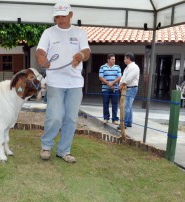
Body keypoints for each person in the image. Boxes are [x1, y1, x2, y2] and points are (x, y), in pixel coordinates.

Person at [35, 1, 90, 163]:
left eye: (63, 16)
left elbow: (86, 51)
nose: (60, 19)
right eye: (57, 16)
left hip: (75, 83)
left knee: (71, 119)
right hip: (55, 82)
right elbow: (40, 50)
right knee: (55, 117)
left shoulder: (80, 33)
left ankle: (64, 150)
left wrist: (80, 55)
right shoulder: (49, 33)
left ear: (71, 14)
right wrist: (41, 58)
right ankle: (46, 146)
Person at [117, 52, 140, 129]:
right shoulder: (128, 67)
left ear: (129, 59)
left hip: (131, 88)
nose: (124, 60)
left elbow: (128, 79)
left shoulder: (134, 67)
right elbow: (123, 77)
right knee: (129, 107)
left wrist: (121, 84)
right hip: (127, 88)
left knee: (126, 107)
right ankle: (129, 122)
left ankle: (124, 124)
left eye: (125, 58)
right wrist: (120, 83)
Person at [99, 54, 121, 125]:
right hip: (105, 89)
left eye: (114, 59)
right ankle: (106, 118)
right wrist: (108, 83)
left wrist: (113, 83)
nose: (114, 60)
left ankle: (114, 119)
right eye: (112, 59)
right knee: (105, 103)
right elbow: (100, 77)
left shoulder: (117, 67)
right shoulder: (102, 67)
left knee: (115, 104)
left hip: (115, 88)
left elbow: (119, 77)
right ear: (108, 60)